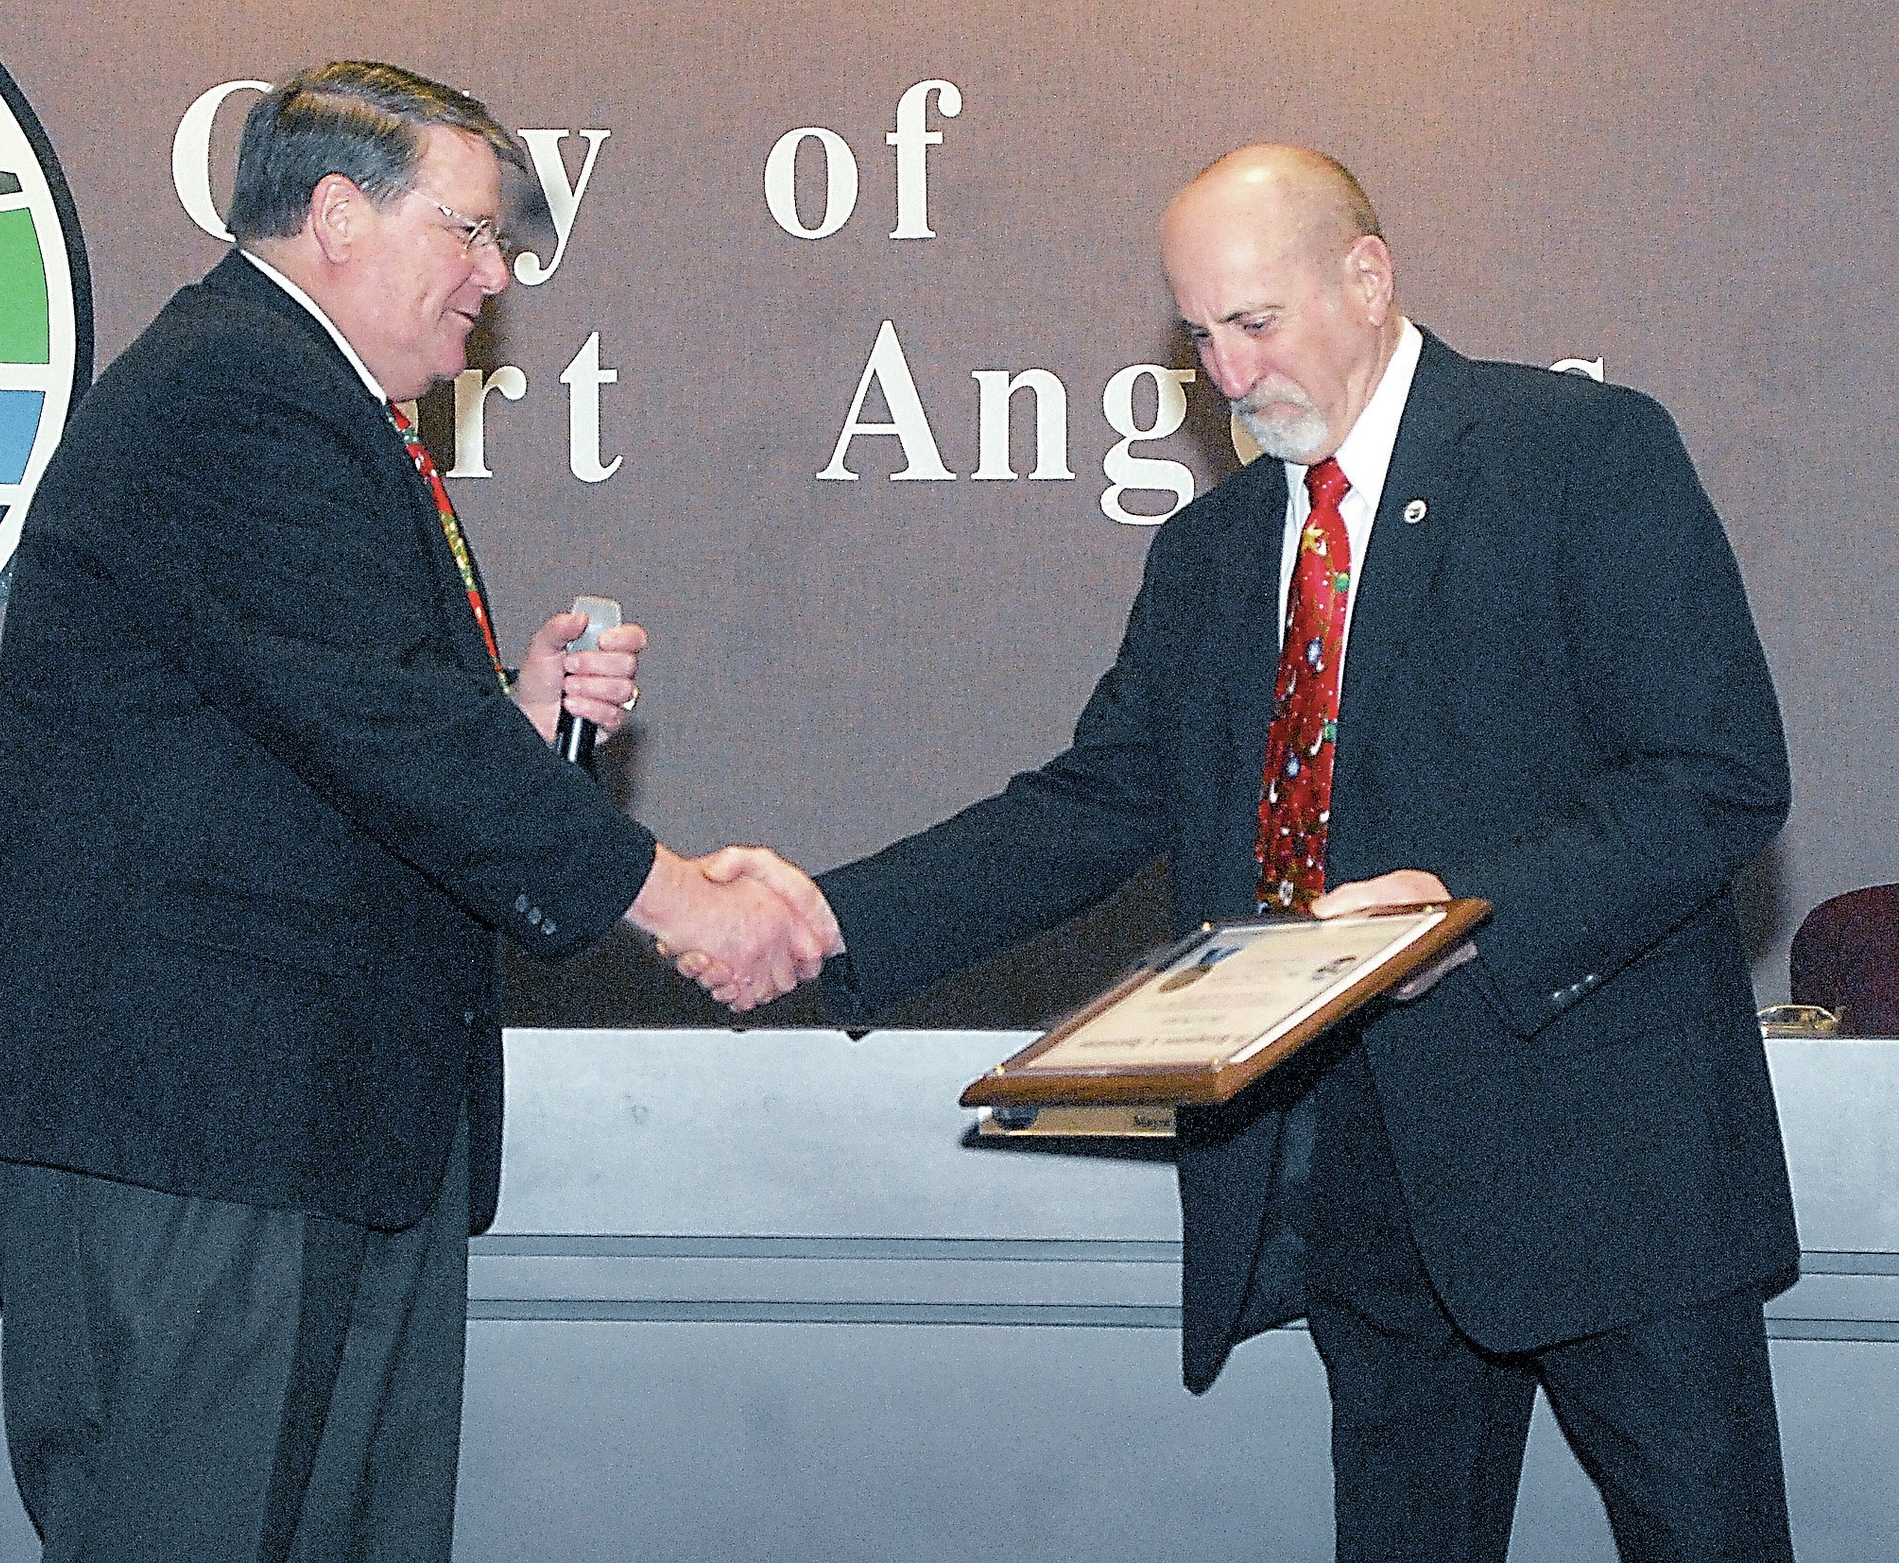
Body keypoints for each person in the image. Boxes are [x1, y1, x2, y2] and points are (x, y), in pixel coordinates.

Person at [703, 146, 1799, 1560]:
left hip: (1610, 1175)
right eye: (1199, 334)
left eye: (1255, 323)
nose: (1225, 371)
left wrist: (1471, 917)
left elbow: (1717, 777)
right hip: (1358, 1179)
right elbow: (1089, 807)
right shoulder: (1213, 551)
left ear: (1366, 275)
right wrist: (832, 917)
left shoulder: (1576, 451)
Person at [0, 62, 824, 1563]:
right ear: (337, 214)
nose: (499, 272)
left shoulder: (306, 400)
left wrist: (518, 722)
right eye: (470, 231)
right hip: (198, 1142)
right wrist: (678, 897)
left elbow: (327, 747)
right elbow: (381, 727)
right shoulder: (236, 388)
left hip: (311, 1140)